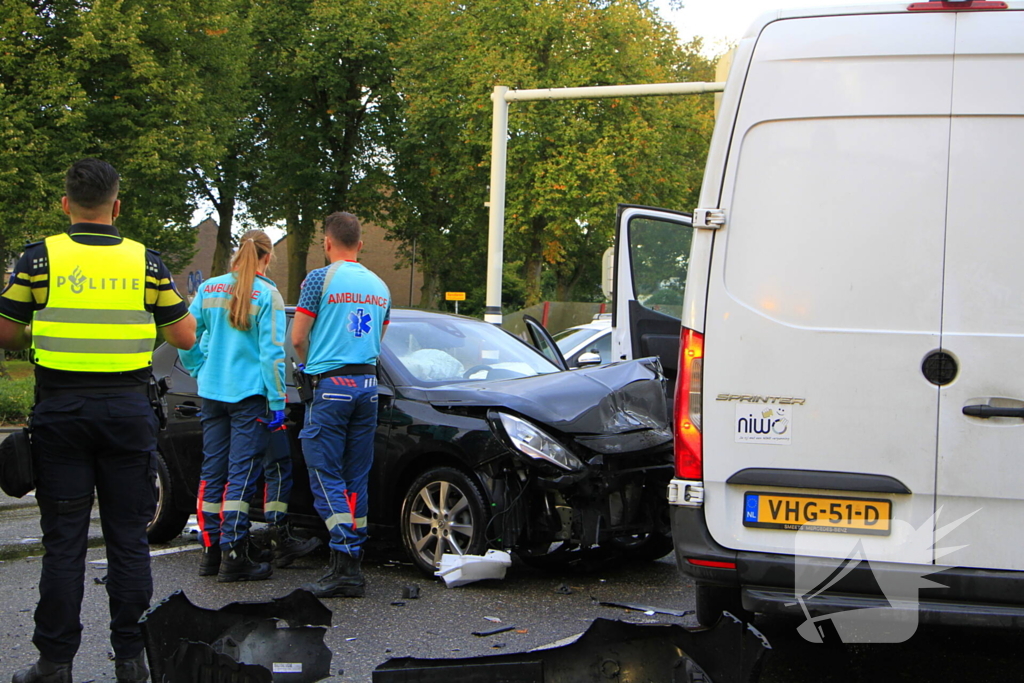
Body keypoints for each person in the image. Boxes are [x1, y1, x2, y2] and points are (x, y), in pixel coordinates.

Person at [0, 159, 196, 683]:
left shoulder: (38, 260)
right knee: (128, 538)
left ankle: (54, 664)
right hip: (128, 411)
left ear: (65, 204)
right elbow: (185, 336)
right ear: (118, 205)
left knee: (63, 541)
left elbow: (6, 330)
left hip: (61, 412)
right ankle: (133, 660)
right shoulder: (148, 265)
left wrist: (36, 337)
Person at [178, 230, 290, 583]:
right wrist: (277, 401)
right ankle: (234, 553)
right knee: (241, 475)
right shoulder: (267, 294)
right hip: (249, 397)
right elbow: (273, 354)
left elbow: (186, 334)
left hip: (212, 393)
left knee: (212, 472)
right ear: (266, 257)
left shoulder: (209, 289)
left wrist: (199, 366)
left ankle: (211, 551)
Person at [291, 211, 390, 598]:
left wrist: (307, 368)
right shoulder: (380, 286)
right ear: (360, 245)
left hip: (331, 386)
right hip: (367, 385)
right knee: (355, 475)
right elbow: (380, 336)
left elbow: (298, 337)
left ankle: (344, 559)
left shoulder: (319, 279)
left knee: (323, 471)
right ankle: (351, 559)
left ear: (327, 243)